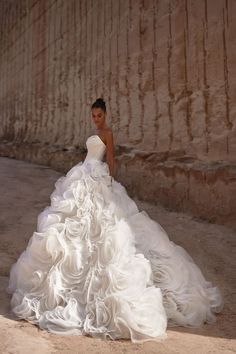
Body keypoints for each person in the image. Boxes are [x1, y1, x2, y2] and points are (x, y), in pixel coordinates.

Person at [6, 97, 223, 344]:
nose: (96, 119)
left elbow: (111, 158)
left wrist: (109, 179)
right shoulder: (95, 132)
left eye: (99, 115)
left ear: (106, 115)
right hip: (83, 174)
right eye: (93, 115)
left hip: (98, 176)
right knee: (69, 226)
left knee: (104, 225)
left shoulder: (107, 133)